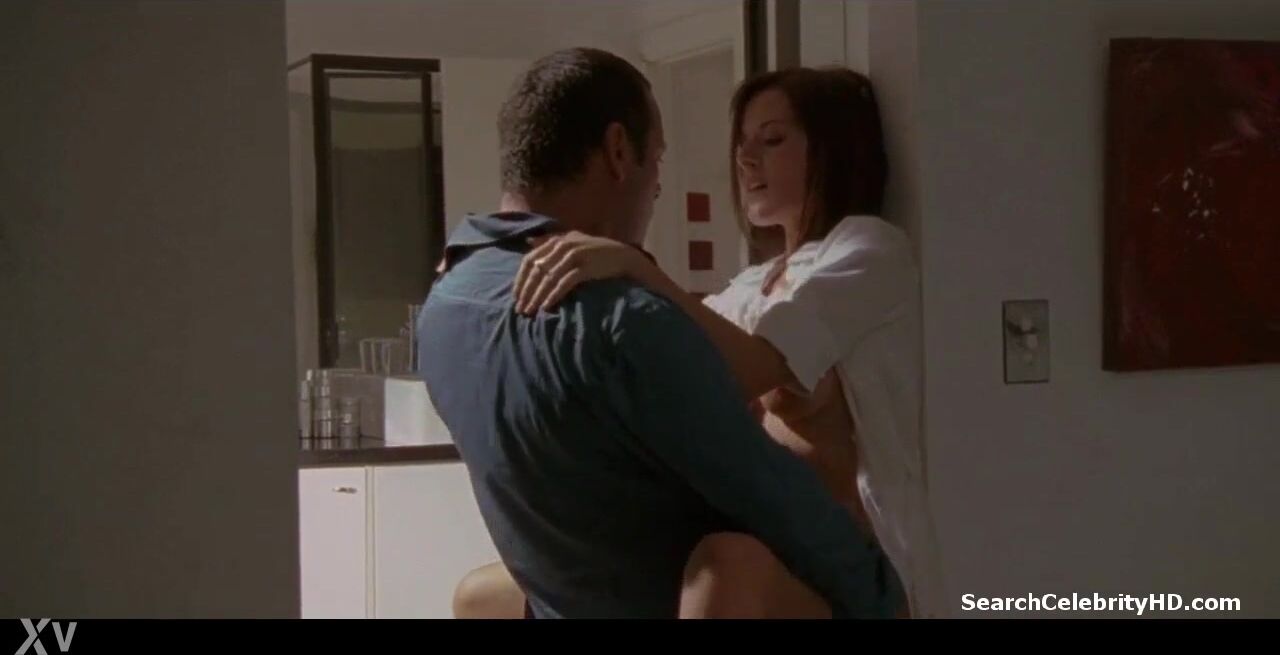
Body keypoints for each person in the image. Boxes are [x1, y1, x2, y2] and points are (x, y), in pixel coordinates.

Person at [416, 47, 904, 620]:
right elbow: (703, 375)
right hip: (751, 562)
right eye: (741, 144)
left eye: (771, 140)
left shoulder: (866, 250)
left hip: (813, 556)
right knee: (482, 596)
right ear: (620, 151)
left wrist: (636, 268)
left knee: (726, 570)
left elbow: (752, 366)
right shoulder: (714, 295)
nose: (745, 159)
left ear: (832, 150)